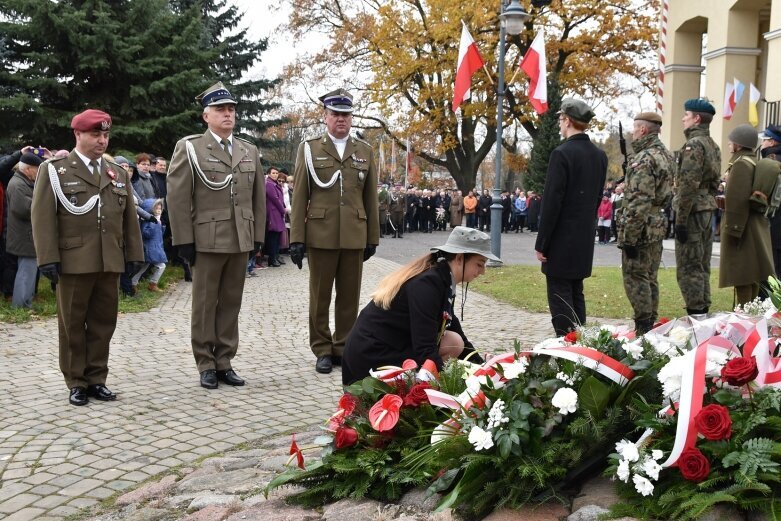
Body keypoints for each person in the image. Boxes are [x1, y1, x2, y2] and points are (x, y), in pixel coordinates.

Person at [31, 109, 143, 406]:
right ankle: (76, 381)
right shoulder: (56, 170)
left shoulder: (116, 172)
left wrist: (133, 254)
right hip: (73, 261)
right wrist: (47, 258)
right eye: (95, 134)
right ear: (77, 134)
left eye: (105, 135)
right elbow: (42, 217)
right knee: (73, 324)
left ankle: (97, 378)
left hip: (109, 260)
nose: (101, 140)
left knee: (103, 323)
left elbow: (128, 218)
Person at [167, 81, 266, 389]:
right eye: (221, 109)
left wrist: (257, 235)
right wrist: (183, 239)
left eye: (232, 110)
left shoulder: (248, 150)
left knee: (231, 302)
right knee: (206, 302)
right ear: (206, 115)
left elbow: (257, 197)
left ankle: (224, 360)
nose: (228, 115)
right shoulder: (191, 148)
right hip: (207, 238)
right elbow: (178, 196)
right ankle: (205, 362)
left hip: (240, 236)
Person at [289, 88, 380, 374]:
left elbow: (370, 197)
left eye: (346, 115)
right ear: (325, 117)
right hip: (321, 233)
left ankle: (343, 346)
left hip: (354, 233)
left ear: (351, 118)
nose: (341, 119)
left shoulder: (365, 151)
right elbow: (300, 194)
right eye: (335, 114)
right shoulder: (310, 148)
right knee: (320, 296)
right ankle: (322, 349)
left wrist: (372, 237)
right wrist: (296, 239)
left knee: (349, 296)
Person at [342, 226, 493, 384]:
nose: (482, 272)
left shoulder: (442, 279)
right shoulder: (428, 285)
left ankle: (419, 385)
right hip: (370, 359)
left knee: (455, 342)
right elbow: (425, 349)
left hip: (389, 346)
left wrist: (483, 367)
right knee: (451, 345)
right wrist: (450, 389)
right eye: (479, 264)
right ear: (460, 258)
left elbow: (452, 327)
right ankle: (411, 390)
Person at [535, 98, 607, 336]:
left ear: (567, 120)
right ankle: (582, 341)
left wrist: (542, 242)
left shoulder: (562, 153)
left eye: (560, 118)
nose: (559, 123)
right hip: (583, 236)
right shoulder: (599, 155)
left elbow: (552, 203)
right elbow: (596, 198)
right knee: (576, 290)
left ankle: (567, 342)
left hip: (561, 238)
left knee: (559, 292)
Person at [617, 112, 674, 334]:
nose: (632, 133)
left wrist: (629, 237)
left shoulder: (644, 158)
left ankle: (643, 326)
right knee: (650, 275)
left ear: (643, 130)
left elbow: (639, 201)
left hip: (641, 226)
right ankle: (650, 322)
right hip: (657, 223)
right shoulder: (666, 155)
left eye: (634, 129)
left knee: (636, 276)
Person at [674, 98, 721, 316]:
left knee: (689, 266)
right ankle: (703, 309)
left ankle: (696, 314)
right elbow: (713, 183)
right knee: (702, 264)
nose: (683, 118)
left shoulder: (694, 145)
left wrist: (680, 220)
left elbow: (687, 184)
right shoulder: (713, 145)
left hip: (692, 211)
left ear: (697, 119)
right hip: (706, 208)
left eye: (687, 114)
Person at [718, 124, 774, 305]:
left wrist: (733, 230)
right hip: (751, 226)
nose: (729, 144)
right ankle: (751, 314)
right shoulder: (751, 161)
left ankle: (743, 316)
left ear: (738, 144)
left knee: (742, 275)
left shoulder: (741, 164)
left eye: (731, 142)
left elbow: (737, 201)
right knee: (752, 274)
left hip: (741, 227)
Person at [6, 153, 43, 308]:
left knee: (29, 270)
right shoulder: (18, 184)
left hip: (26, 235)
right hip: (24, 235)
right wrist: (42, 204)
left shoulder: (23, 182)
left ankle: (25, 302)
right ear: (28, 169)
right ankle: (21, 305)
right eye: (36, 169)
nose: (38, 173)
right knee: (26, 271)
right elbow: (23, 209)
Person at [131, 198, 167, 292]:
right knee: (161, 266)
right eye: (156, 208)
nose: (159, 210)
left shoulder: (157, 220)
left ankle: (133, 283)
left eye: (160, 208)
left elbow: (159, 235)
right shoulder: (148, 221)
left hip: (155, 247)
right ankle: (153, 283)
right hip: (151, 248)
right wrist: (154, 223)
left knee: (144, 266)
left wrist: (161, 226)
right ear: (151, 210)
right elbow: (146, 233)